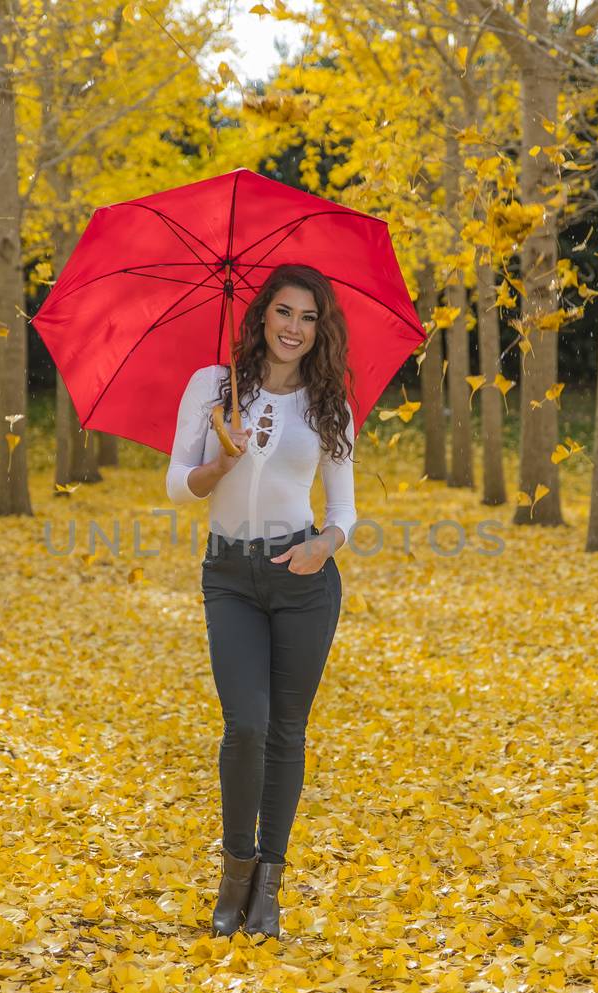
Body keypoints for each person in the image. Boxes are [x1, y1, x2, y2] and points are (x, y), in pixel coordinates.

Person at [165, 263, 357, 939]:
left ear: (319, 328)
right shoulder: (214, 388)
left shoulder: (328, 403)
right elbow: (178, 485)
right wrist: (221, 458)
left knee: (285, 732)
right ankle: (235, 872)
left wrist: (324, 546)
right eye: (284, 312)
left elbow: (344, 511)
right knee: (245, 722)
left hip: (302, 577)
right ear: (261, 315)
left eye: (308, 318)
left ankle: (268, 889)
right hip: (230, 575)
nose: (294, 329)